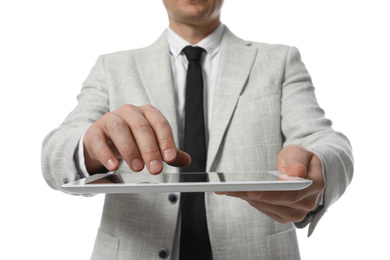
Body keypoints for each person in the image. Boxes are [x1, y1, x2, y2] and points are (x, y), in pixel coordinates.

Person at [41, 0, 353, 259]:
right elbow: (56, 153)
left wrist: (319, 169)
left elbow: (326, 141)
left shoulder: (280, 61)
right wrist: (92, 146)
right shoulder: (112, 66)